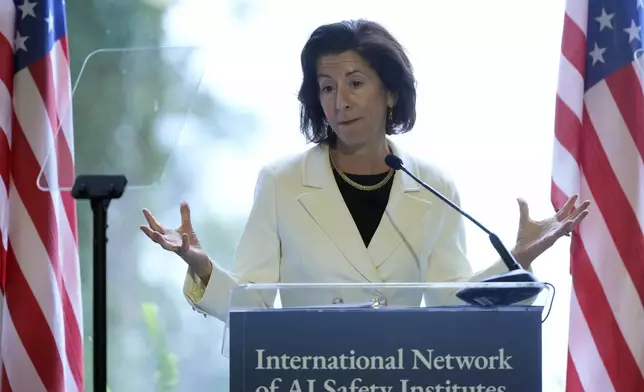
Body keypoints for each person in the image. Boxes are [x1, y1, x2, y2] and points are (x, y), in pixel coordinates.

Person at [140, 19, 590, 323]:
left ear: (390, 92)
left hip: (405, 376)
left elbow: (450, 300)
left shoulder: (434, 185)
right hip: (308, 377)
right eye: (327, 88)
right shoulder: (282, 181)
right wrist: (201, 265)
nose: (341, 101)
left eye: (356, 83)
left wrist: (519, 256)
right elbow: (254, 302)